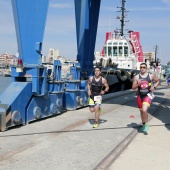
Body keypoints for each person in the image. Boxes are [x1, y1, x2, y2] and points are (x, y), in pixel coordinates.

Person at [132, 63, 160, 134]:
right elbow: (133, 88)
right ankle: (143, 123)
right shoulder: (136, 77)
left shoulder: (150, 76)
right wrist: (138, 84)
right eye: (141, 67)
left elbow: (157, 81)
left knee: (144, 110)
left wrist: (154, 87)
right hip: (139, 96)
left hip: (147, 95)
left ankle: (146, 124)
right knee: (142, 112)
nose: (142, 68)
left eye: (144, 67)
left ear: (146, 68)